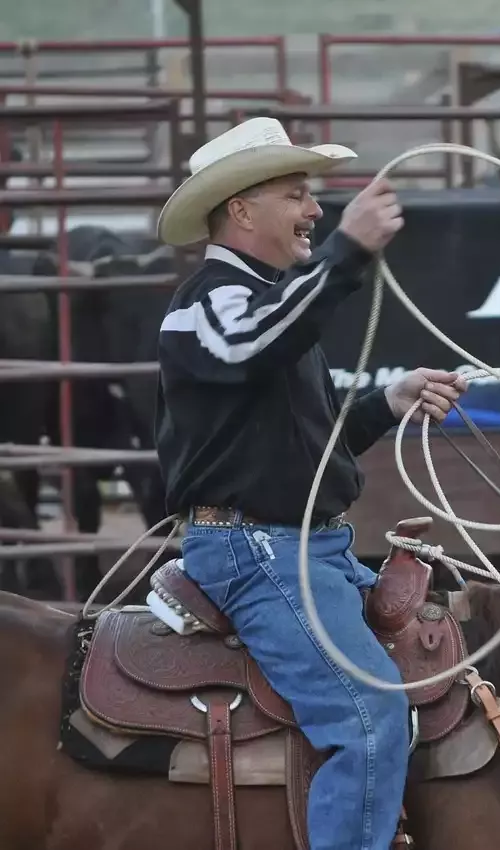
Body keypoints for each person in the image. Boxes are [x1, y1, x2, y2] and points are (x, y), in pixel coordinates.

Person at [152, 116, 466, 850]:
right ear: (241, 209)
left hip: (296, 549)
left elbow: (310, 448)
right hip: (257, 555)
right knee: (367, 722)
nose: (315, 210)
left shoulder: (265, 305)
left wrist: (388, 404)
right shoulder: (209, 304)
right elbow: (252, 343)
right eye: (297, 194)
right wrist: (349, 250)